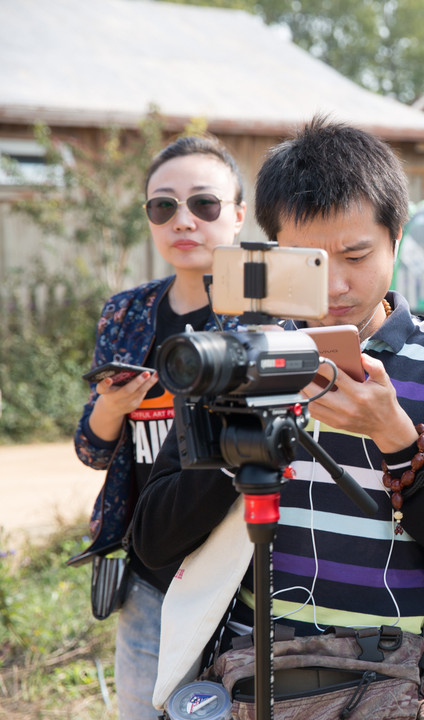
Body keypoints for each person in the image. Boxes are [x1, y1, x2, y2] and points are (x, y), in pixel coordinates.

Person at [128, 117, 424, 702]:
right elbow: (153, 539)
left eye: (356, 254)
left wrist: (396, 437)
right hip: (253, 676)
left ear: (397, 238)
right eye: (308, 263)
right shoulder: (242, 357)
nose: (336, 285)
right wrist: (240, 439)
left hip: (394, 679)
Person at [72, 134, 247, 720]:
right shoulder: (126, 313)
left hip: (240, 570)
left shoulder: (263, 313)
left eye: (204, 203)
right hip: (149, 574)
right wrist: (114, 407)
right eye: (163, 206)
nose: (183, 221)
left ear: (239, 214)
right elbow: (95, 451)